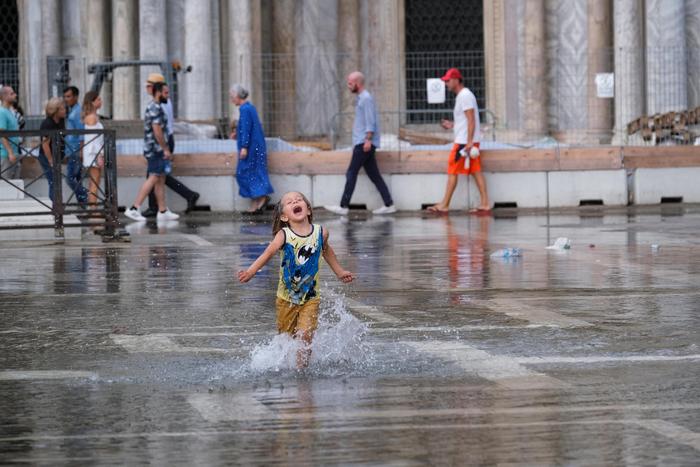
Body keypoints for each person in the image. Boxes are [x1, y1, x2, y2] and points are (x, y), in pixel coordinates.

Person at [238, 191, 354, 368]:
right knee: (286, 338)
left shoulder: (320, 233)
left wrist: (339, 271)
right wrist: (251, 271)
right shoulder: (284, 235)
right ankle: (283, 364)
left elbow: (327, 251)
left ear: (308, 210)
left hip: (311, 298)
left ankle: (302, 370)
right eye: (290, 202)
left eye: (299, 200)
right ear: (284, 216)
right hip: (285, 299)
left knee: (306, 335)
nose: (295, 202)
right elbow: (268, 253)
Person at [324, 71, 396, 216]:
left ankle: (343, 206)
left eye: (350, 83)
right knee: (374, 175)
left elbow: (371, 121)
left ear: (357, 83)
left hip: (364, 143)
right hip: (363, 142)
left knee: (351, 172)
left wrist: (368, 139)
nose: (348, 86)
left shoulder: (366, 98)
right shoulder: (362, 98)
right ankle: (389, 204)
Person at [428, 68, 489, 213]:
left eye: (448, 80)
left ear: (456, 80)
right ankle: (485, 203)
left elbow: (471, 119)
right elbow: (466, 121)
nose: (446, 83)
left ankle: (444, 205)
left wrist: (468, 142)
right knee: (476, 171)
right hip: (468, 140)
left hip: (464, 142)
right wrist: (452, 125)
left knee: (452, 170)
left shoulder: (464, 96)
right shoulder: (464, 95)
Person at [143, 74, 200, 216]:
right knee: (158, 175)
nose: (147, 88)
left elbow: (159, 128)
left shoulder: (161, 103)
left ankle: (154, 207)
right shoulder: (160, 102)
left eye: (149, 85)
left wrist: (164, 147)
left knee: (154, 175)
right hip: (164, 140)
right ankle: (185, 196)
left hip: (163, 141)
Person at [124, 81, 179, 222]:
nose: (168, 95)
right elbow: (157, 130)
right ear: (158, 92)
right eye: (165, 93)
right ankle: (135, 208)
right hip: (156, 149)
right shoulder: (155, 108)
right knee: (154, 176)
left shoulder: (157, 106)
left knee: (160, 179)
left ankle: (162, 210)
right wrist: (165, 148)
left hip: (155, 148)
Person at [230, 84, 273, 213]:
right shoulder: (249, 108)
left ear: (238, 96)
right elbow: (248, 127)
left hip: (251, 147)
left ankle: (261, 198)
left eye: (232, 96)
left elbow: (248, 127)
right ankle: (257, 202)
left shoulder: (245, 109)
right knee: (254, 172)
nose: (231, 99)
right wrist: (238, 133)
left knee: (244, 173)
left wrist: (244, 146)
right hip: (255, 145)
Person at [62, 86, 89, 205]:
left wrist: (82, 151)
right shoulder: (73, 110)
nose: (66, 99)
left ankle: (86, 197)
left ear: (76, 97)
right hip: (73, 150)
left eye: (68, 96)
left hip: (76, 150)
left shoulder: (77, 112)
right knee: (77, 178)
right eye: (65, 97)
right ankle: (83, 204)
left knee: (70, 179)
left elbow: (81, 132)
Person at [38, 97, 67, 202]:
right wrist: (51, 160)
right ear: (55, 111)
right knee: (53, 182)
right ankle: (55, 208)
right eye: (62, 109)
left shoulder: (61, 121)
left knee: (57, 182)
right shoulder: (47, 123)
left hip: (57, 156)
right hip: (47, 156)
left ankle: (57, 206)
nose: (65, 111)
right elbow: (45, 144)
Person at [81, 91, 104, 207]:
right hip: (93, 154)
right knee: (94, 182)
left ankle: (92, 207)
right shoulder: (92, 118)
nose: (101, 101)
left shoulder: (93, 116)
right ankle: (93, 208)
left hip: (93, 153)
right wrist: (99, 155)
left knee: (94, 182)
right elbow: (93, 140)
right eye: (98, 99)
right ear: (92, 102)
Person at [0, 85, 21, 179]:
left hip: (14, 153)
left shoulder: (9, 111)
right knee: (6, 186)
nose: (15, 95)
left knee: (15, 186)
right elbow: (2, 134)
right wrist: (10, 153)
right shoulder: (2, 112)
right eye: (12, 93)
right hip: (6, 155)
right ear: (4, 96)